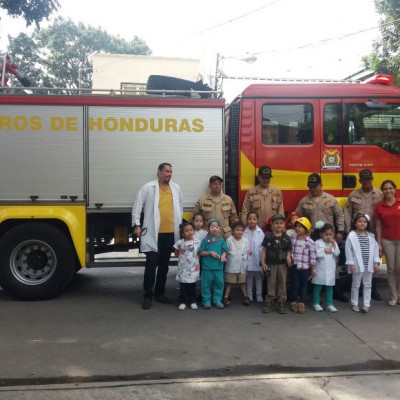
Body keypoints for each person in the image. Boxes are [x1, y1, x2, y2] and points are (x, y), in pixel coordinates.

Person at [132, 163, 183, 309]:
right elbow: (137, 206)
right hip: (153, 234)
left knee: (164, 266)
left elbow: (179, 206)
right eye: (166, 171)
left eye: (171, 171)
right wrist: (136, 225)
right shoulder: (148, 188)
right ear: (159, 172)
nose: (169, 174)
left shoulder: (176, 188)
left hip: (170, 233)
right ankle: (148, 295)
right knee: (151, 265)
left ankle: (160, 293)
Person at [295, 173, 347, 302]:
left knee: (332, 264)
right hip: (311, 236)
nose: (313, 189)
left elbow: (340, 215)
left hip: (328, 236)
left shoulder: (330, 199)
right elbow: (297, 217)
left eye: (315, 186)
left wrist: (340, 231)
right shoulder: (304, 201)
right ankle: (312, 292)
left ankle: (336, 291)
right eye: (310, 186)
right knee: (313, 264)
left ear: (321, 185)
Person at [344, 169, 383, 300]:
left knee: (372, 259)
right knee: (358, 258)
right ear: (360, 181)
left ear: (372, 179)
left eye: (368, 179)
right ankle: (358, 287)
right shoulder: (353, 195)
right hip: (358, 232)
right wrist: (349, 230)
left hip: (373, 231)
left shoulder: (380, 194)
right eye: (364, 179)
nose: (366, 181)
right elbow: (348, 213)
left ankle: (373, 289)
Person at [346, 214, 380, 313]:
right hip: (357, 264)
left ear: (367, 224)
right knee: (356, 284)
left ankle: (366, 304)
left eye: (364, 222)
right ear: (355, 223)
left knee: (367, 284)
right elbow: (349, 251)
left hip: (368, 264)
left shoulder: (370, 236)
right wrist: (351, 263)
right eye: (360, 221)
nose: (362, 223)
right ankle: (354, 303)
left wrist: (376, 262)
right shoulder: (351, 236)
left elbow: (375, 249)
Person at [374, 180, 400, 306]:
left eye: (390, 188)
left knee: (399, 268)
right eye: (385, 189)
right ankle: (393, 296)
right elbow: (378, 226)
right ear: (382, 191)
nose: (388, 191)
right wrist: (378, 243)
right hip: (387, 240)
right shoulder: (379, 206)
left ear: (394, 190)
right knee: (391, 269)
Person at [261, 213, 292, 314]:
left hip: (282, 264)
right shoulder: (268, 237)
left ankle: (281, 302)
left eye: (281, 223)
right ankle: (270, 301)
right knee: (271, 283)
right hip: (271, 264)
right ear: (272, 225)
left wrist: (288, 257)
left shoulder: (287, 238)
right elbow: (264, 250)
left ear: (284, 225)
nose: (279, 225)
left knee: (282, 283)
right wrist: (263, 262)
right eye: (277, 223)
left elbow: (289, 250)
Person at [241, 166, 284, 230]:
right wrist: (245, 227)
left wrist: (281, 227)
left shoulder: (277, 192)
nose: (266, 180)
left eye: (268, 178)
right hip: (256, 229)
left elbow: (280, 211)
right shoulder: (251, 192)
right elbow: (245, 211)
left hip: (272, 229)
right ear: (258, 177)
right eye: (264, 178)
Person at [198, 218, 228, 309]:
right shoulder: (205, 240)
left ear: (219, 229)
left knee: (219, 284)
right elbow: (201, 252)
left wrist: (223, 256)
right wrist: (210, 253)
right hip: (207, 267)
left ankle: (217, 300)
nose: (214, 229)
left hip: (218, 267)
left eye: (216, 227)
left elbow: (225, 250)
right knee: (205, 284)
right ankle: (206, 300)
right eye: (212, 227)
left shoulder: (221, 240)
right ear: (208, 229)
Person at [289, 217, 317, 314]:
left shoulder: (311, 242)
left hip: (305, 268)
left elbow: (313, 256)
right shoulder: (293, 238)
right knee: (295, 285)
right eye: (297, 226)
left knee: (303, 285)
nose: (298, 228)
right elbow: (289, 249)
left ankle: (301, 302)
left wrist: (313, 268)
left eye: (301, 227)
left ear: (307, 229)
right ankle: (293, 302)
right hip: (295, 266)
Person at [311, 221, 340, 313]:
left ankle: (330, 304)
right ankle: (316, 303)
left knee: (329, 287)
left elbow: (337, 253)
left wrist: (334, 247)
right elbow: (314, 253)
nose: (328, 237)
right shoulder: (317, 243)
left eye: (330, 234)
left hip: (330, 269)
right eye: (326, 234)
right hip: (320, 269)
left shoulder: (333, 243)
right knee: (318, 286)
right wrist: (324, 250)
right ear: (321, 234)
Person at [174, 222, 201, 311]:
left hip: (193, 268)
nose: (189, 232)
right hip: (183, 268)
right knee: (183, 286)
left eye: (191, 230)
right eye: (186, 231)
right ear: (182, 233)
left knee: (192, 285)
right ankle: (183, 301)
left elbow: (199, 253)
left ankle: (192, 301)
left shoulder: (197, 242)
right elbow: (176, 254)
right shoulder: (179, 242)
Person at [223, 222, 250, 306]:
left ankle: (245, 296)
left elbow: (247, 252)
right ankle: (226, 297)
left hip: (242, 264)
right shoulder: (229, 240)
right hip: (232, 265)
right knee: (229, 282)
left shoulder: (245, 240)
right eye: (237, 230)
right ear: (232, 231)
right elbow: (225, 251)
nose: (239, 232)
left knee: (242, 282)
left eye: (242, 230)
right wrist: (223, 257)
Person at [244, 212, 265, 303]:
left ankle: (259, 294)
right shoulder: (244, 232)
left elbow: (263, 247)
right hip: (248, 258)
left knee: (258, 278)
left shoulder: (261, 233)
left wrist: (262, 259)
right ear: (247, 220)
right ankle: (249, 295)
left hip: (258, 258)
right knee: (249, 278)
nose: (252, 221)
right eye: (250, 219)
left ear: (257, 220)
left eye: (254, 219)